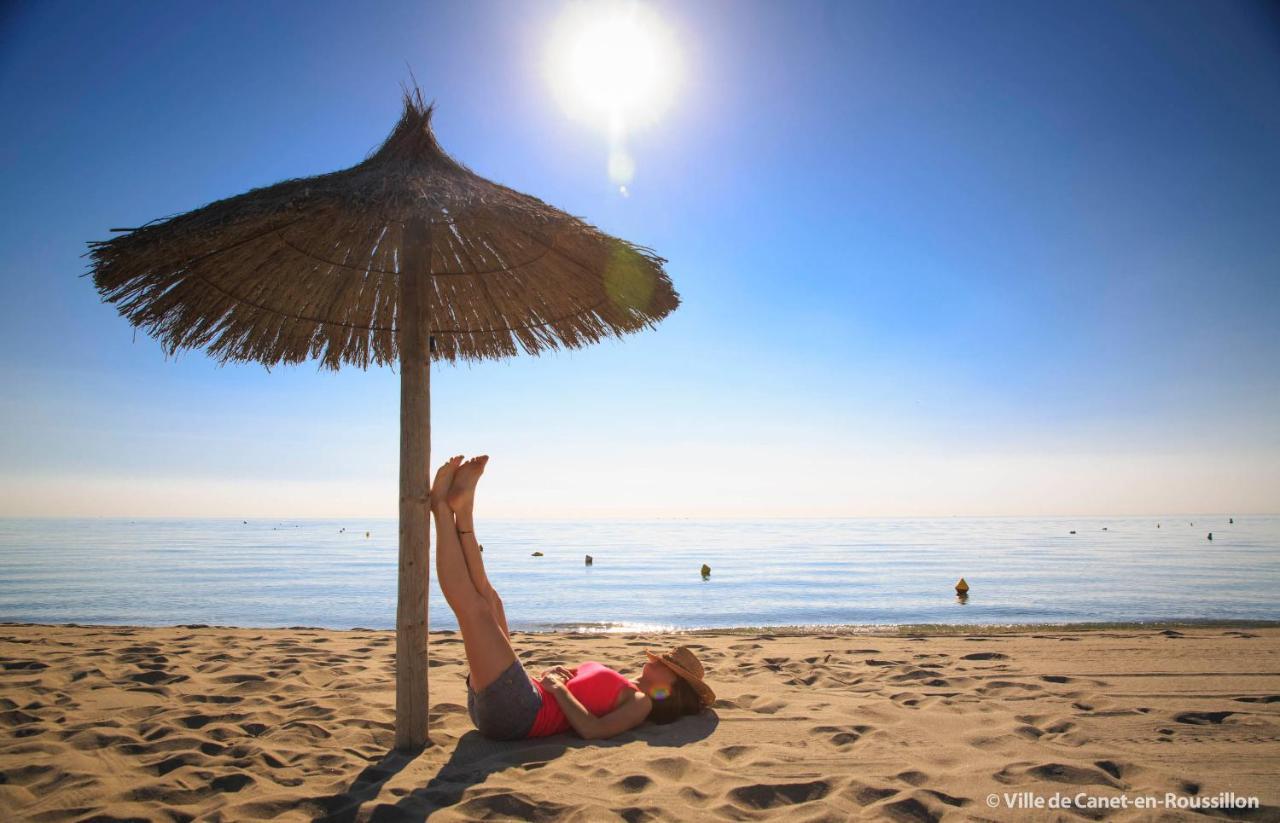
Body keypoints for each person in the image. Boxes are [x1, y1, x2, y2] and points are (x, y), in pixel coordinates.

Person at [431, 454, 715, 741]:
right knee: (491, 601)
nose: (659, 659)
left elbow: (594, 730)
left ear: (674, 685)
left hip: (521, 714)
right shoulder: (625, 682)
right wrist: (557, 672)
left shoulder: (641, 703)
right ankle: (463, 510)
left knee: (475, 610)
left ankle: (440, 508)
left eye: (667, 664)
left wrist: (559, 689)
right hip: (516, 698)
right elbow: (565, 682)